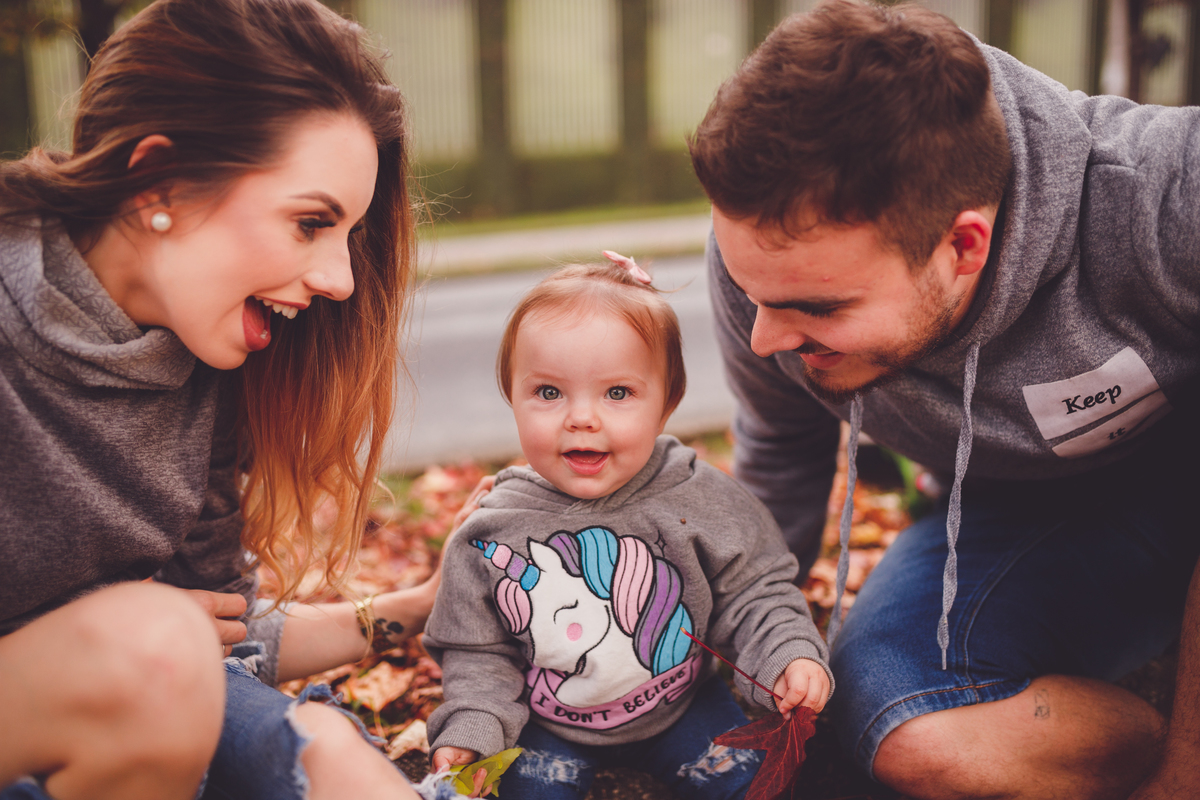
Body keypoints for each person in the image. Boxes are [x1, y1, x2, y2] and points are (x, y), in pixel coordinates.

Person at [688, 1, 1200, 798]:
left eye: (818, 308)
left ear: (964, 244)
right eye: (755, 295)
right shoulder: (768, 275)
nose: (766, 337)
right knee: (903, 726)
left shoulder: (1164, 201)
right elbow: (780, 460)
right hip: (1028, 514)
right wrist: (720, 650)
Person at [0, 1, 481, 798]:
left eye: (348, 236)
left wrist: (413, 609)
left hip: (129, 726)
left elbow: (210, 643)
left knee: (326, 752)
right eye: (310, 223)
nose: (340, 281)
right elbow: (160, 654)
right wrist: (126, 638)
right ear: (160, 179)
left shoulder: (206, 372)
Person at [422, 256, 833, 799]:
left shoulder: (698, 497)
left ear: (666, 404)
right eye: (549, 393)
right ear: (512, 398)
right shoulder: (493, 531)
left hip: (684, 707)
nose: (581, 418)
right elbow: (477, 651)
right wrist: (472, 726)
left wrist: (787, 655)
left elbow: (755, 593)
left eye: (617, 393)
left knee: (751, 782)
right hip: (548, 726)